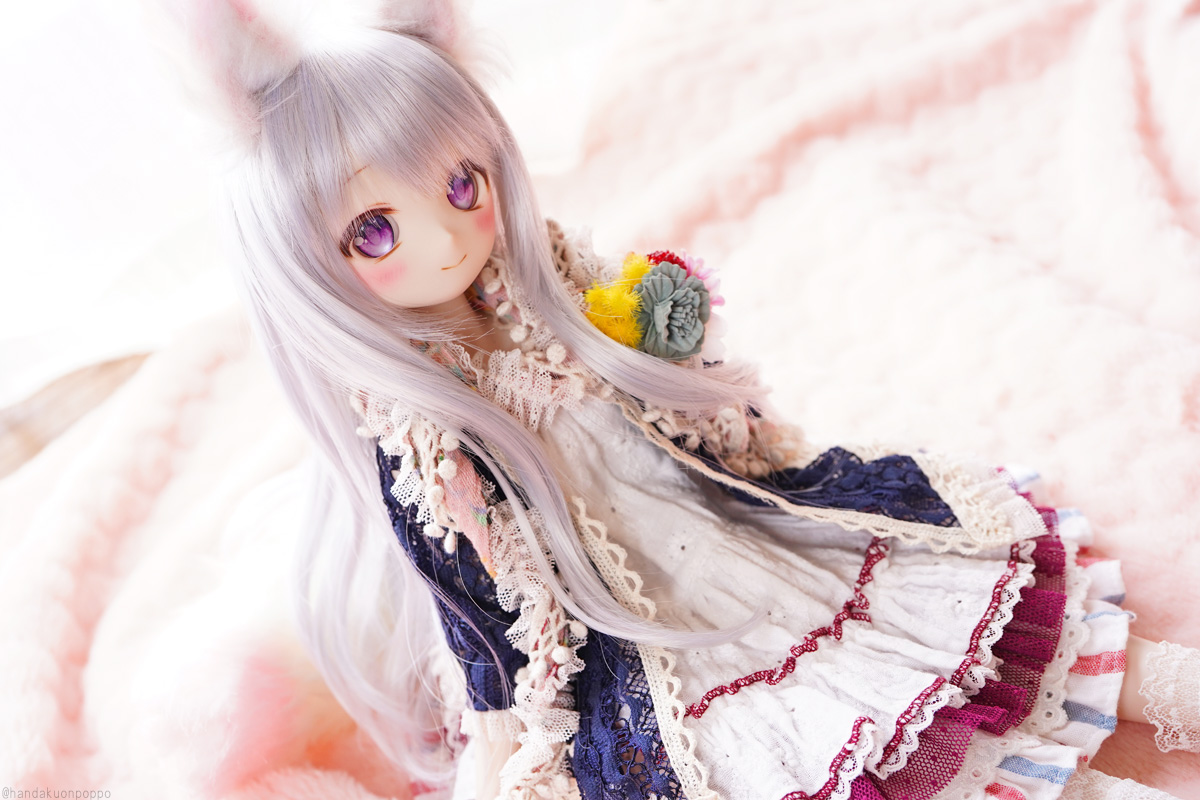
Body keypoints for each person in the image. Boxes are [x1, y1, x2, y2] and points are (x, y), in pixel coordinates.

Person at [163, 0, 1200, 797]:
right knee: (843, 737)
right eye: (375, 231)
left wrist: (673, 355)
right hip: (634, 635)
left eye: (462, 186)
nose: (443, 238)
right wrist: (505, 753)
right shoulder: (422, 446)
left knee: (940, 624)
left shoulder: (548, 281)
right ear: (306, 261)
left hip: (728, 532)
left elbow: (677, 405)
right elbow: (486, 630)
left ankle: (1169, 688)